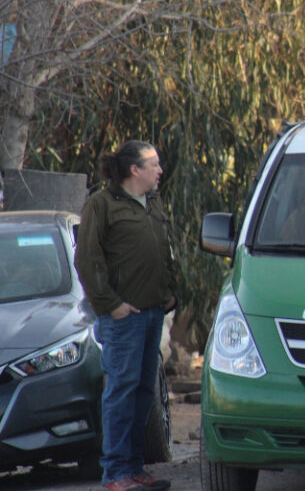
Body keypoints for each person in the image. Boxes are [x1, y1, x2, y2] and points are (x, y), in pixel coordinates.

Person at [75, 140, 176, 491]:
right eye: (154, 164)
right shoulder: (101, 205)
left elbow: (164, 251)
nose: (160, 170)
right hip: (123, 319)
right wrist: (111, 305)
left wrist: (169, 294)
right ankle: (116, 473)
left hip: (152, 313)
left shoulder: (153, 203)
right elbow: (87, 260)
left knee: (143, 393)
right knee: (121, 392)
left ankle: (134, 469)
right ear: (135, 169)